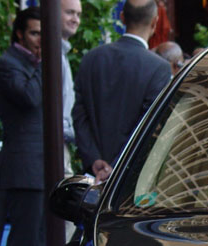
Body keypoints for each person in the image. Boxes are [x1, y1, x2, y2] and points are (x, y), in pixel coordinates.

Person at [72, 0, 170, 181]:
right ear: (155, 22)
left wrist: (94, 159)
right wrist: (117, 166)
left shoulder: (91, 58)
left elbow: (79, 115)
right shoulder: (159, 68)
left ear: (122, 17)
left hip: (93, 172)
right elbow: (148, 125)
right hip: (131, 178)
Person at [0, 6, 44, 246]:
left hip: (40, 166)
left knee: (37, 243)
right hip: (24, 167)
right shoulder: (7, 64)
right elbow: (30, 98)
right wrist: (46, 63)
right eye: (35, 33)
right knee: (24, 244)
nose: (40, 40)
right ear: (20, 34)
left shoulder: (29, 64)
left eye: (44, 34)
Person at [60, 0, 82, 176]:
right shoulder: (51, 55)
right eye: (69, 12)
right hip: (54, 146)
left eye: (78, 14)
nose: (75, 19)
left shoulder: (62, 53)